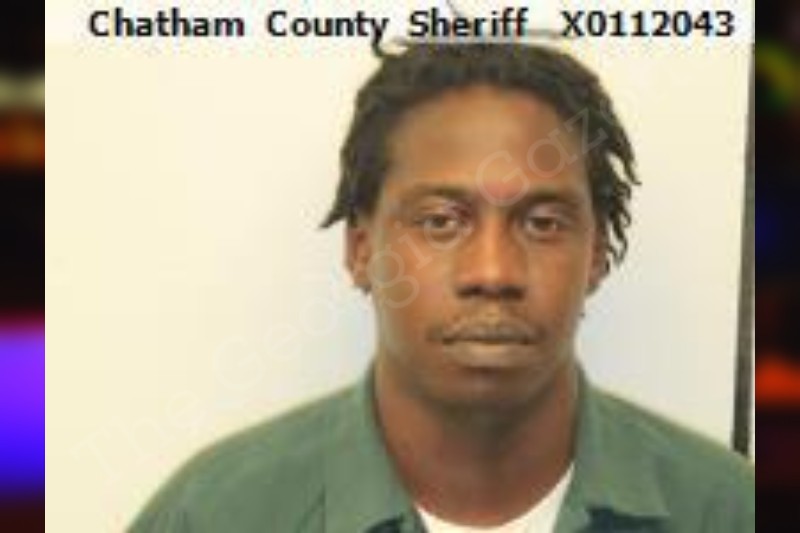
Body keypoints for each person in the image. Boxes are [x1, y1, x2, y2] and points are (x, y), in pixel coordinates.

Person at [129, 43, 754, 533]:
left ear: (595, 255)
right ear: (360, 250)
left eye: (542, 223)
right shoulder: (217, 514)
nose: (493, 273)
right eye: (440, 222)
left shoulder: (729, 510)